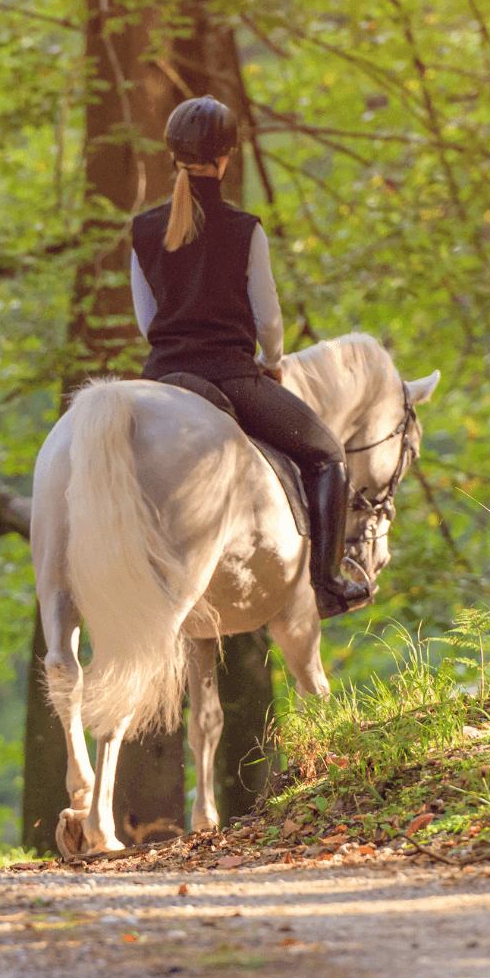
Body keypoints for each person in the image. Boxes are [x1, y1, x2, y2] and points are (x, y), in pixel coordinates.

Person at [130, 95, 371, 620]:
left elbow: (146, 320)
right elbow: (268, 318)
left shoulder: (143, 229)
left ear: (174, 156)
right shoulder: (244, 228)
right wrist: (274, 360)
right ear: (226, 158)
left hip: (162, 379)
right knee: (328, 455)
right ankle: (328, 585)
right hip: (231, 374)